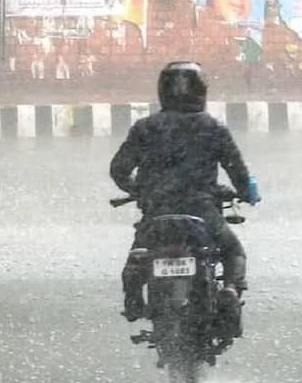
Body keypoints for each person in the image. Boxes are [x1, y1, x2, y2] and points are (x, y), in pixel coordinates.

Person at [110, 61, 261, 336]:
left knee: (137, 257)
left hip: (157, 213)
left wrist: (137, 190)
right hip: (202, 211)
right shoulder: (213, 127)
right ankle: (228, 290)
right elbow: (238, 172)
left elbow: (119, 169)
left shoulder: (145, 128)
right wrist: (248, 192)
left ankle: (133, 299)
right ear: (201, 90)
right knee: (233, 251)